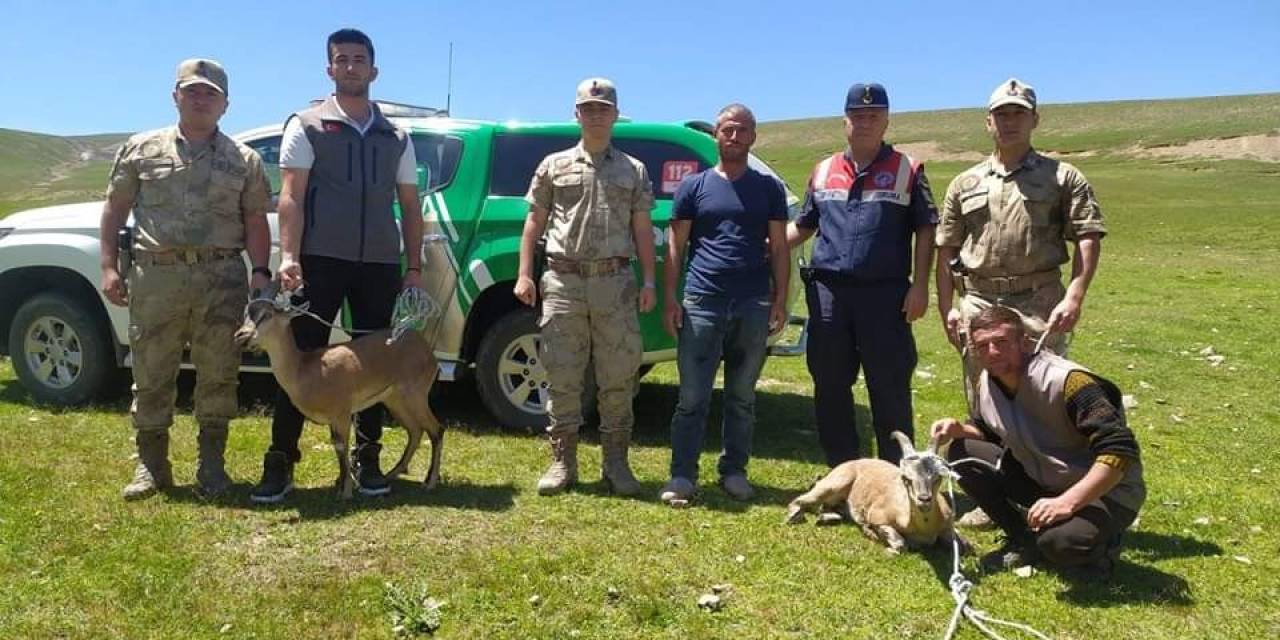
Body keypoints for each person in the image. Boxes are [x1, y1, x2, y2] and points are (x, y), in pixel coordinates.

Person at [251, 28, 424, 503]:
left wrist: (413, 267)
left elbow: (410, 206)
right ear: (330, 69)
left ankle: (368, 462)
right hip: (319, 260)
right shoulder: (307, 125)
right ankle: (280, 462)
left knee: (373, 362)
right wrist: (289, 256)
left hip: (380, 263)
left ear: (374, 70)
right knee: (300, 356)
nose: (351, 66)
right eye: (341, 59)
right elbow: (291, 195)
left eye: (359, 59)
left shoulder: (397, 136)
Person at [101, 58, 272, 500]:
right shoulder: (141, 150)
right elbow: (115, 209)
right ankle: (151, 466)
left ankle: (211, 466)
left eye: (210, 93)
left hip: (221, 279)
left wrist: (260, 273)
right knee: (152, 371)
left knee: (219, 373)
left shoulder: (245, 160)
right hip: (157, 277)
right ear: (175, 96)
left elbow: (255, 219)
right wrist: (108, 266)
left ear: (225, 104)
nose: (201, 98)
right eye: (192, 90)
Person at [515, 77, 657, 496]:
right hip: (564, 281)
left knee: (618, 377)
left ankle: (616, 464)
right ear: (576, 114)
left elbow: (643, 229)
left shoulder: (633, 170)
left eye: (603, 107)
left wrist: (649, 280)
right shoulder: (553, 165)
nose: (596, 114)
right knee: (562, 374)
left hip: (614, 282)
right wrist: (525, 274)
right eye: (588, 107)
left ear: (615, 114)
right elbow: (533, 223)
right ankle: (563, 463)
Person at [785, 82, 937, 466]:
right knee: (831, 386)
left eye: (873, 116)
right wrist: (759, 246)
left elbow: (926, 229)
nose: (865, 122)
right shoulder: (823, 171)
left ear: (886, 121)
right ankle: (843, 475)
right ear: (845, 121)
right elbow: (804, 225)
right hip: (829, 295)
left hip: (885, 296)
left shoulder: (908, 169)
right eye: (857, 116)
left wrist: (920, 286)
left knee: (889, 389)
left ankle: (894, 477)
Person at [931, 305, 1145, 577]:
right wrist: (959, 429)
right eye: (982, 346)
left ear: (1024, 342)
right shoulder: (989, 379)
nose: (992, 353)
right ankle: (1022, 539)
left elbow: (1119, 451)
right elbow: (991, 430)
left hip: (1105, 492)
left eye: (1001, 342)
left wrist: (1066, 503)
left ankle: (1102, 548)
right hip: (1045, 477)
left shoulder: (1069, 382)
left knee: (1059, 543)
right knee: (962, 450)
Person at [935, 78, 1106, 408]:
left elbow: (1088, 235)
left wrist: (1074, 296)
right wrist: (947, 310)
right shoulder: (964, 183)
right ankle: (989, 457)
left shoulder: (1062, 177)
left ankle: (1044, 460)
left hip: (1039, 303)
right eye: (1001, 115)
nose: (1009, 122)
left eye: (1018, 114)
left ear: (1034, 120)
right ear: (988, 122)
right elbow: (947, 249)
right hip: (980, 302)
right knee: (983, 396)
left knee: (1043, 394)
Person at [658, 104, 789, 504]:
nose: (735, 137)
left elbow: (780, 247)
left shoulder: (768, 189)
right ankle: (682, 475)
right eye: (728, 130)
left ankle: (734, 471)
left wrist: (779, 299)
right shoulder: (693, 187)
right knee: (692, 397)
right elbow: (676, 246)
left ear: (753, 136)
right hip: (701, 300)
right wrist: (670, 298)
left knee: (742, 397)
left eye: (743, 131)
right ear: (716, 134)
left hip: (752, 301)